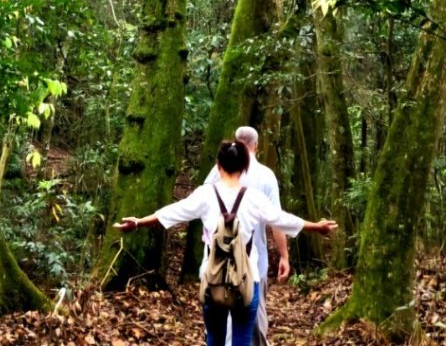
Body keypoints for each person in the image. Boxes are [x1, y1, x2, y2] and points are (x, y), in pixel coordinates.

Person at [114, 140, 336, 346]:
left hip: (213, 280)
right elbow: (283, 219)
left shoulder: (205, 194)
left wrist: (138, 222)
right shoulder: (255, 198)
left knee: (215, 339)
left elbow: (173, 212)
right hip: (247, 282)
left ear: (218, 164)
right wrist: (317, 226)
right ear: (245, 167)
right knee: (242, 339)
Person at [203, 126, 290, 346]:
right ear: (256, 146)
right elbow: (276, 220)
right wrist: (284, 256)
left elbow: (205, 212)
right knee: (252, 321)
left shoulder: (217, 172)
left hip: (216, 265)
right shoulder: (266, 175)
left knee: (220, 325)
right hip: (253, 265)